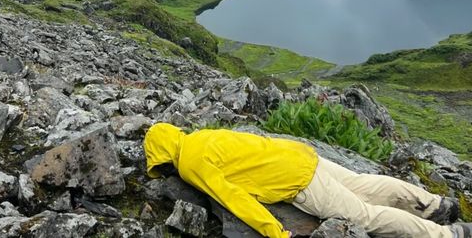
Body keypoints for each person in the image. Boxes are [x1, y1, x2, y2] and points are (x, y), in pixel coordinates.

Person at [144, 123, 468, 238]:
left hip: (297, 180)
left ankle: (445, 234)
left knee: (365, 216)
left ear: (163, 155)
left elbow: (233, 199)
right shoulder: (201, 137)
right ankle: (436, 205)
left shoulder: (189, 163)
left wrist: (275, 232)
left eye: (159, 165)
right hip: (301, 155)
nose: (164, 172)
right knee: (365, 183)